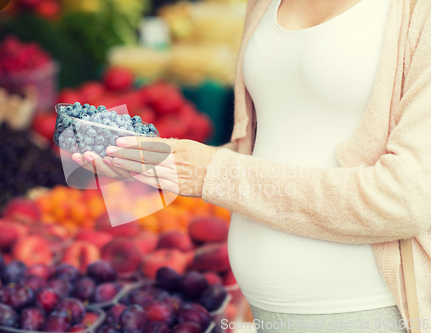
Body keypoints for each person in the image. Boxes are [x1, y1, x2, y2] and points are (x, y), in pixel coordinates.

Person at [73, 0, 431, 331]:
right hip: (261, 310)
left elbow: (406, 197)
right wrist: (151, 163)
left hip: (366, 310)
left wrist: (211, 171)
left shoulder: (418, 12)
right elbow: (265, 151)